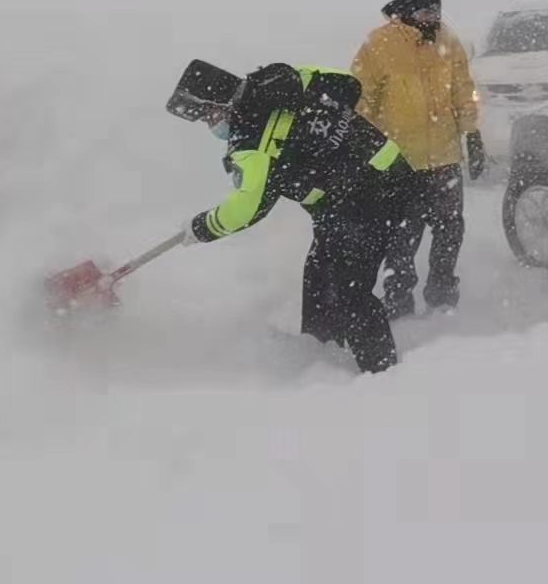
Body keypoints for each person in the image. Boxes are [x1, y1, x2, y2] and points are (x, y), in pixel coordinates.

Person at [165, 58, 414, 373]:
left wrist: (202, 227)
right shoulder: (277, 81)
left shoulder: (248, 138)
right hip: (380, 181)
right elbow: (348, 85)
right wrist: (299, 84)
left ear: (219, 102)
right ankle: (322, 354)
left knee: (350, 289)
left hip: (366, 200)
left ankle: (383, 375)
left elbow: (247, 206)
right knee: (320, 274)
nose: (211, 124)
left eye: (209, 115)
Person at [351, 0, 485, 318]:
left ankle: (442, 294)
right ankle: (398, 299)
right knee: (402, 235)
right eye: (426, 10)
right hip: (400, 162)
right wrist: (361, 149)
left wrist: (472, 133)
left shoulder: (448, 41)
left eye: (437, 10)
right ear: (407, 11)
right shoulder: (378, 45)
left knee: (450, 228)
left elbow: (463, 90)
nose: (433, 17)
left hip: (444, 158)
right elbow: (361, 100)